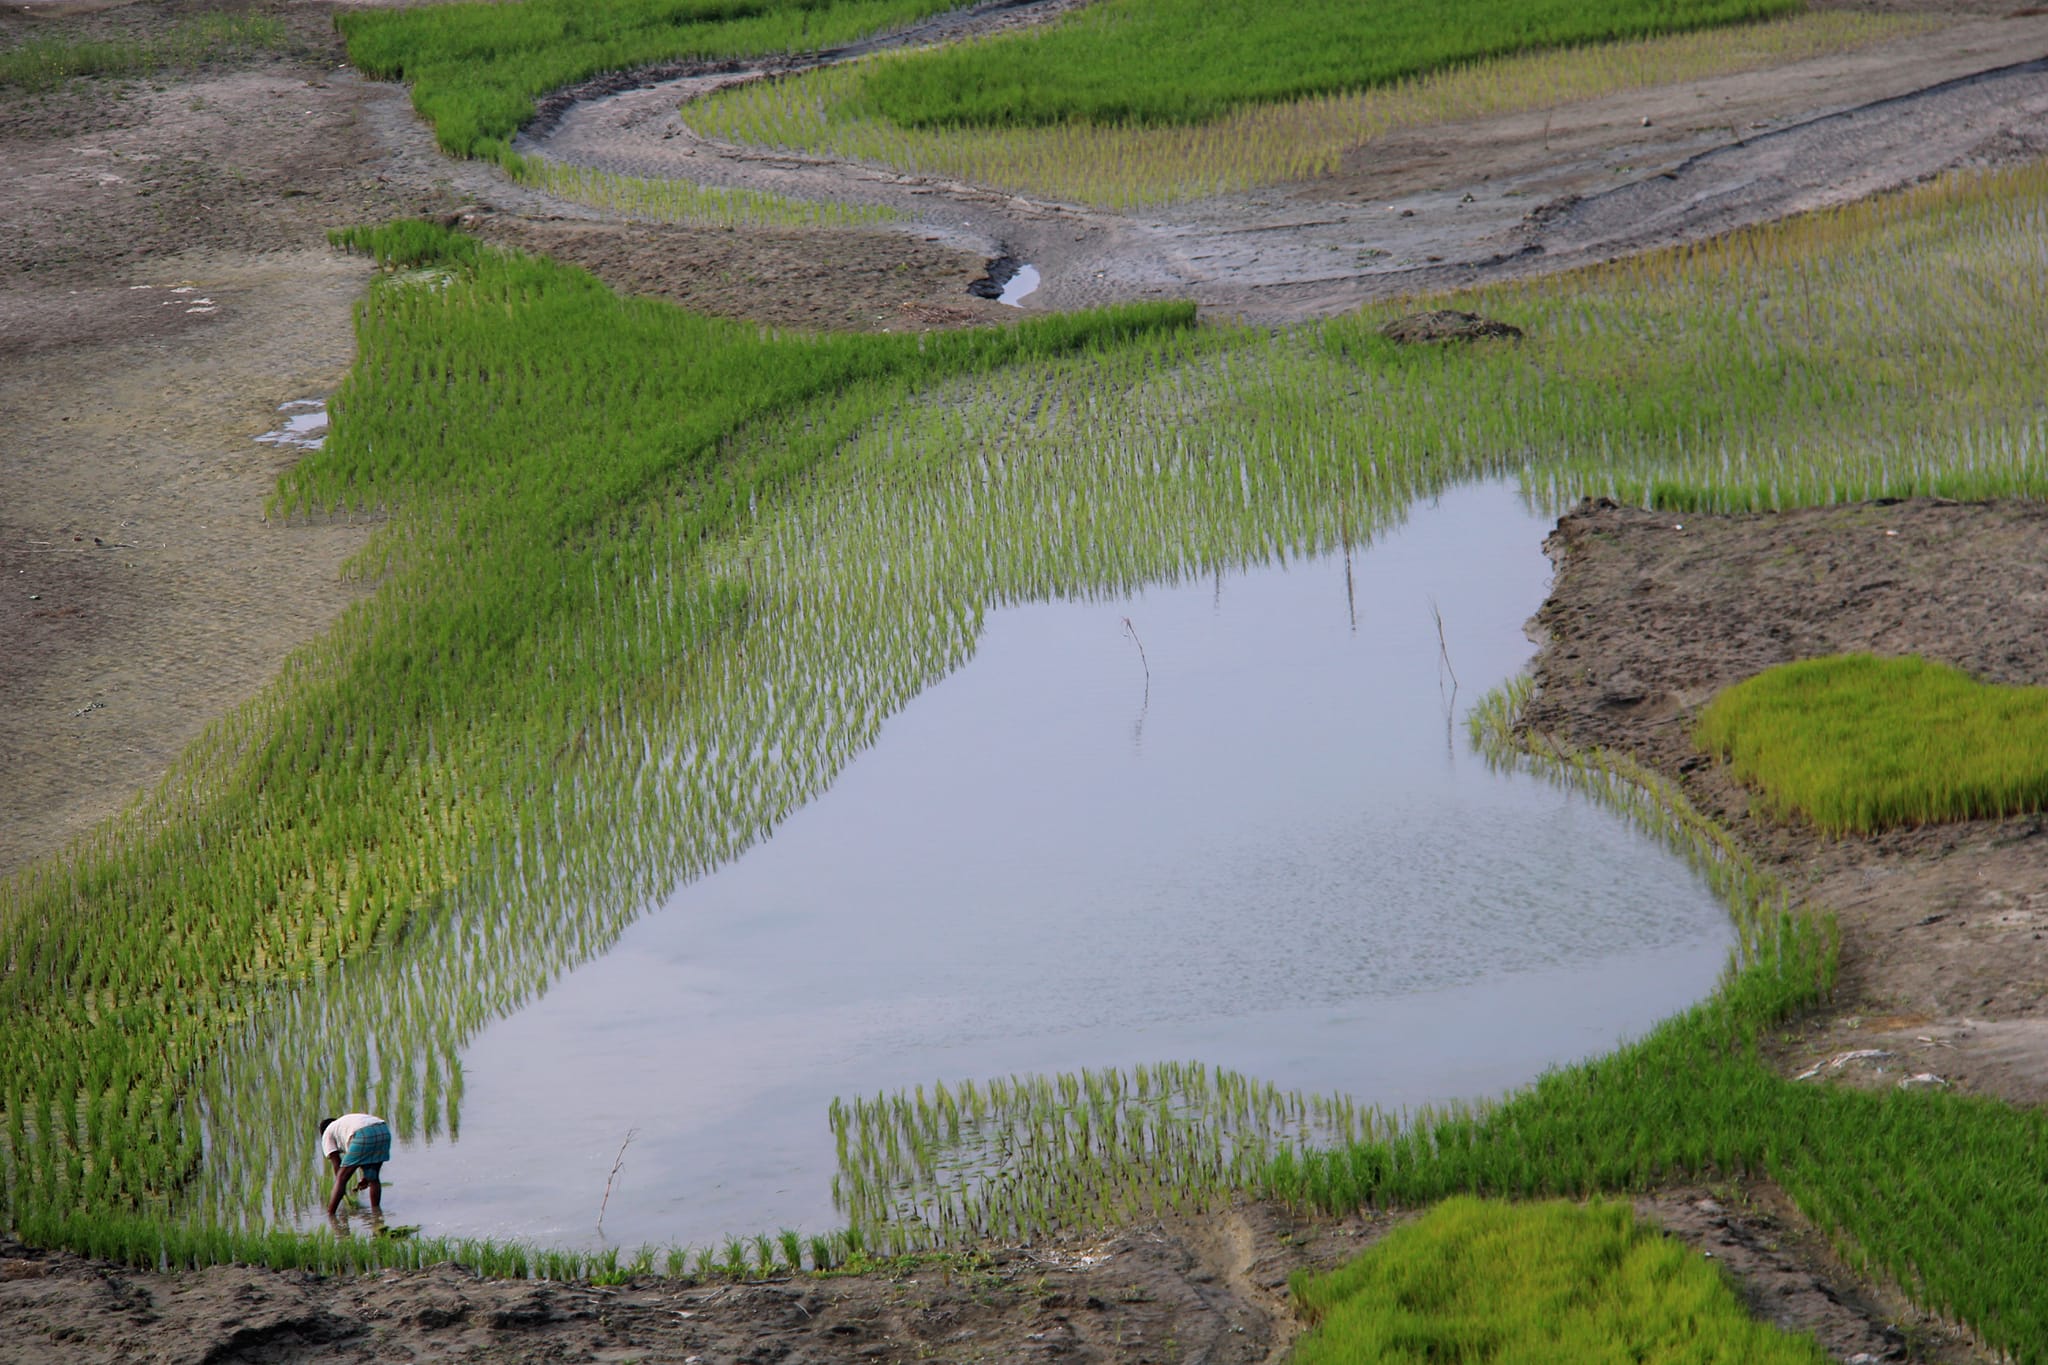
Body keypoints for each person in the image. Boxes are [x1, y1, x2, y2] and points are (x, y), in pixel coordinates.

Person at [317, 1113, 391, 1216]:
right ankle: (376, 1215)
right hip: (383, 1130)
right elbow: (362, 1155)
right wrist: (366, 1176)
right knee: (373, 1178)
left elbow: (337, 1164)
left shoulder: (327, 1133)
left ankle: (330, 1214)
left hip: (363, 1134)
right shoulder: (344, 1125)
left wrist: (341, 1185)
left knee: (341, 1178)